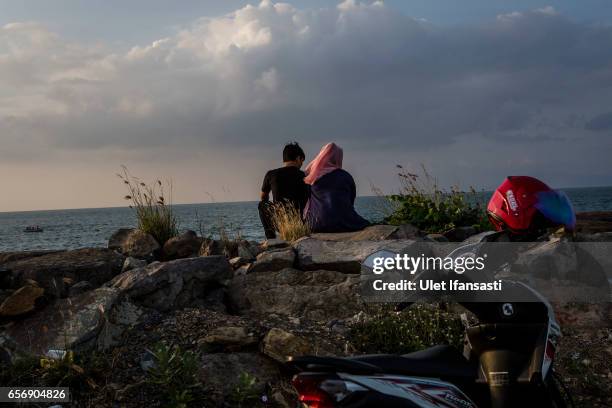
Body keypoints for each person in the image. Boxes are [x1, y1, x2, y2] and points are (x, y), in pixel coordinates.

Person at [303, 142, 369, 233]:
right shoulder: (345, 176)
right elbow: (351, 200)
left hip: (316, 224)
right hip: (345, 222)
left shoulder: (312, 177)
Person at [259, 142, 309, 239]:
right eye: (302, 161)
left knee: (262, 205)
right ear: (298, 158)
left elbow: (263, 197)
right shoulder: (304, 176)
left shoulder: (271, 174)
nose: (301, 164)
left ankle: (271, 238)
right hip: (300, 222)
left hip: (280, 222)